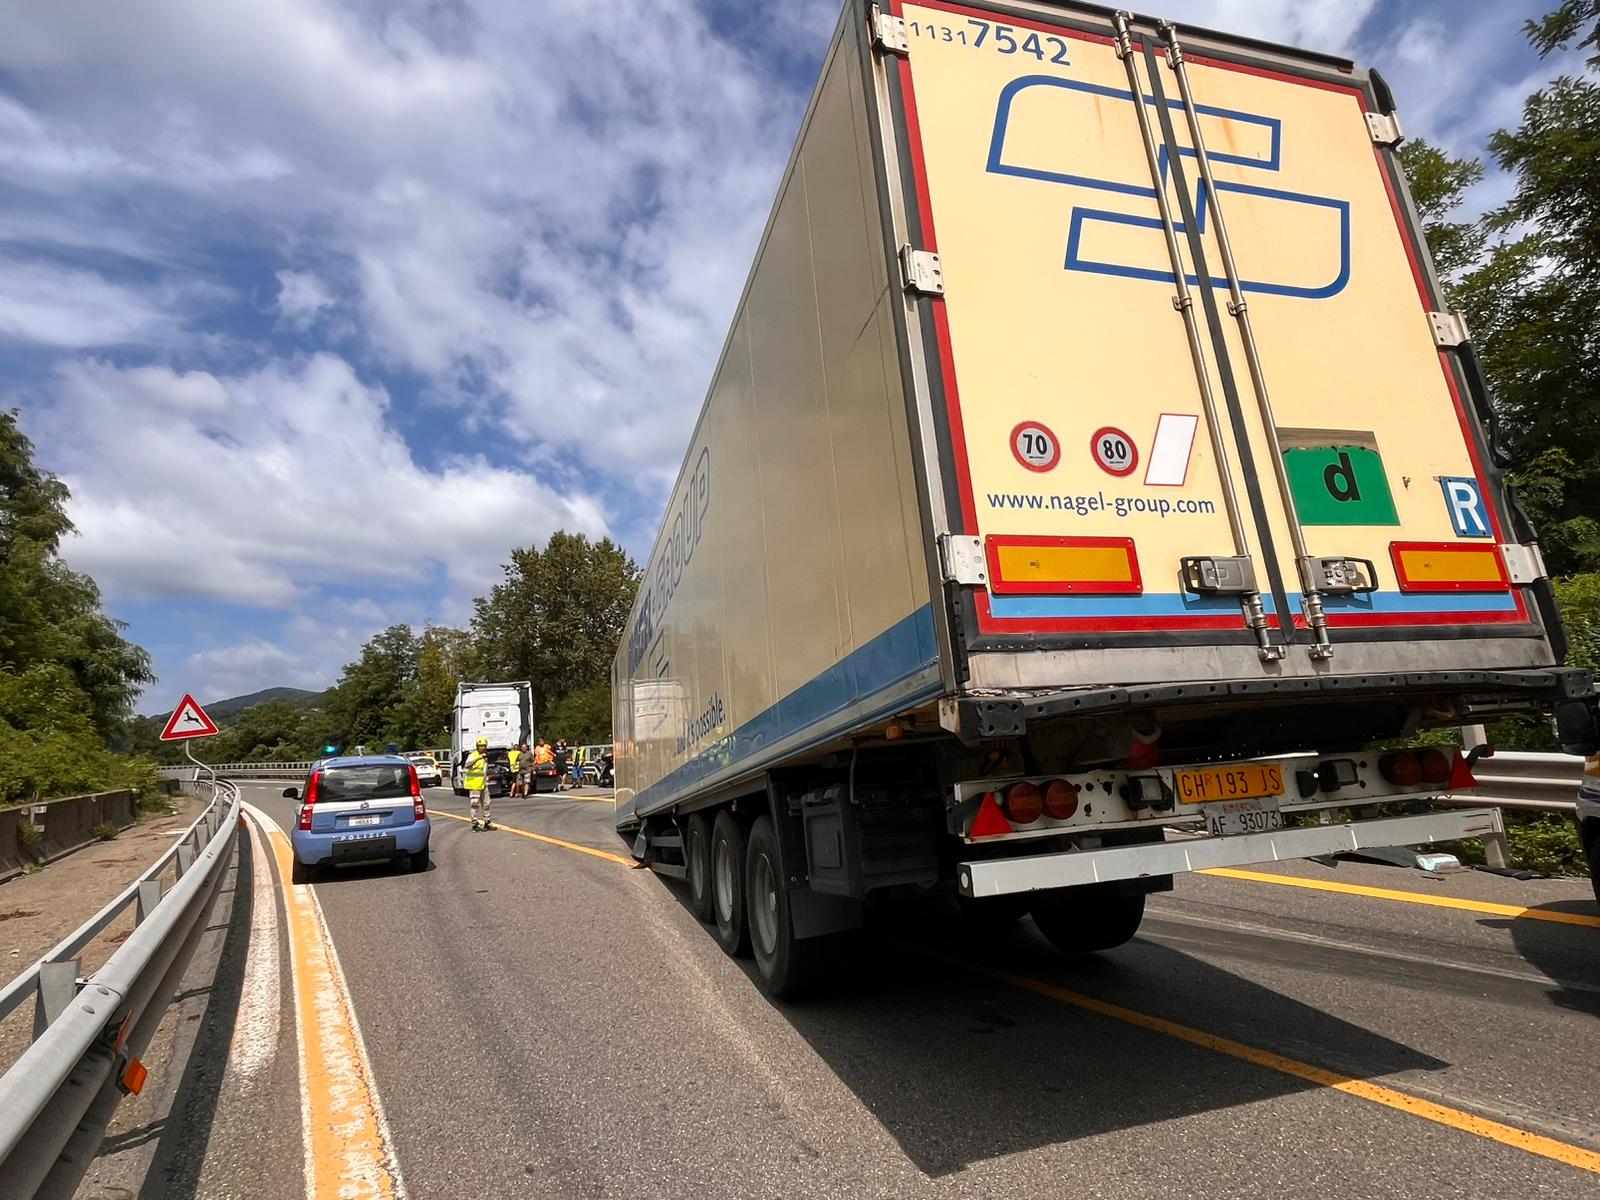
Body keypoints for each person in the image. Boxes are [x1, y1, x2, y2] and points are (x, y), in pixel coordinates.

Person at [465, 736, 495, 831]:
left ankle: (487, 822)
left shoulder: (485, 757)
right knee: (474, 804)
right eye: (481, 746)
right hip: (474, 784)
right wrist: (478, 758)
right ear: (477, 746)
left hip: (483, 783)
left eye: (484, 746)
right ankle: (475, 824)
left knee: (487, 803)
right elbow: (467, 765)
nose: (483, 748)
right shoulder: (473, 755)